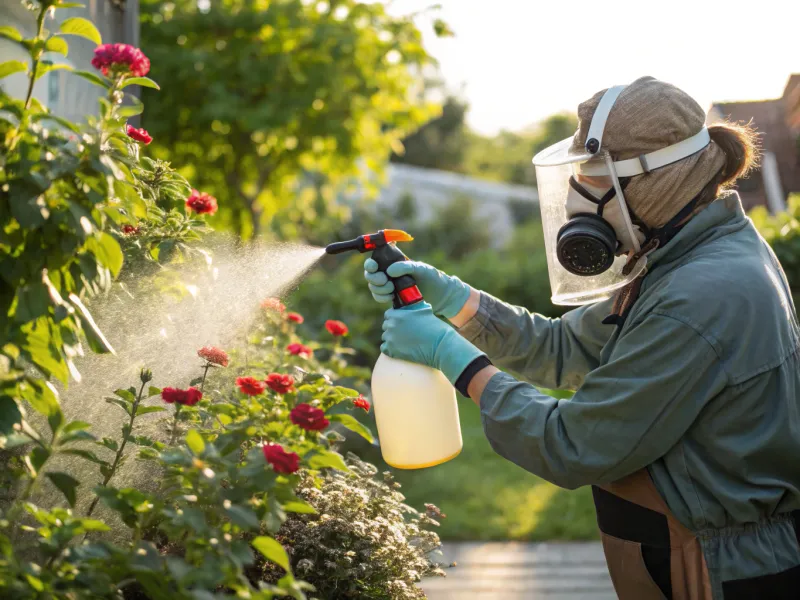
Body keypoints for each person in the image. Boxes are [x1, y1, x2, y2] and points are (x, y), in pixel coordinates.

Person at [363, 77, 800, 599]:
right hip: (692, 556)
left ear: (655, 181)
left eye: (596, 178)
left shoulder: (702, 295)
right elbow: (560, 348)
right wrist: (454, 299)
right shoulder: (686, 255)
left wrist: (453, 357)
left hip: (724, 575)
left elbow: (573, 444)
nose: (580, 200)